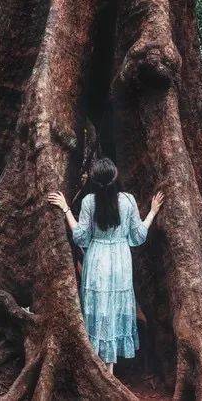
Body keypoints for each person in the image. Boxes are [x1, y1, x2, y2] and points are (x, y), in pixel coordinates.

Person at [47, 157, 164, 374]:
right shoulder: (128, 200)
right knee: (114, 307)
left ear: (93, 179)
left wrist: (65, 210)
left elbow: (81, 237)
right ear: (115, 176)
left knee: (99, 308)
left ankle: (99, 364)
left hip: (97, 260)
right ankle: (109, 369)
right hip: (120, 260)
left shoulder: (89, 202)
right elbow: (138, 236)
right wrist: (152, 212)